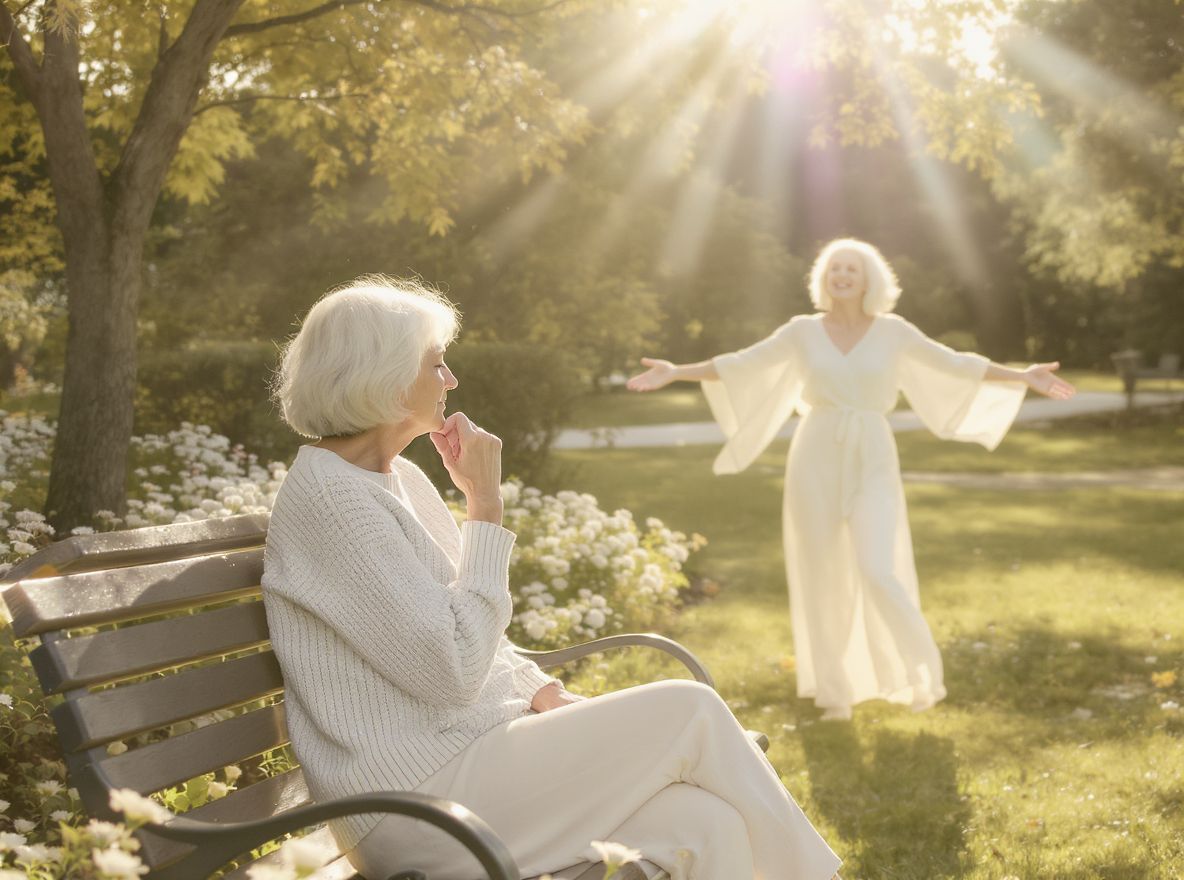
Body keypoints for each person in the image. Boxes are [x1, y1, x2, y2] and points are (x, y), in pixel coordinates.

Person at [262, 276, 842, 880]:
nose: (451, 381)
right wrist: (484, 509)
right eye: (436, 365)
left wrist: (538, 687)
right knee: (690, 711)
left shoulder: (395, 480)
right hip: (409, 807)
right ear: (381, 376)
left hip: (464, 766)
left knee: (705, 825)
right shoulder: (334, 503)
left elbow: (464, 628)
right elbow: (454, 667)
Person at [627, 239, 1076, 722]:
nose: (843, 275)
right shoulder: (802, 331)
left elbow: (955, 362)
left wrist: (1022, 376)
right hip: (816, 452)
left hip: (872, 452)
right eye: (835, 267)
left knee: (878, 569)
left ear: (869, 280)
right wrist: (677, 372)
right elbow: (741, 363)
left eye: (853, 269)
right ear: (824, 276)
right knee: (821, 574)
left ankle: (919, 675)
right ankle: (836, 693)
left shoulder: (893, 332)